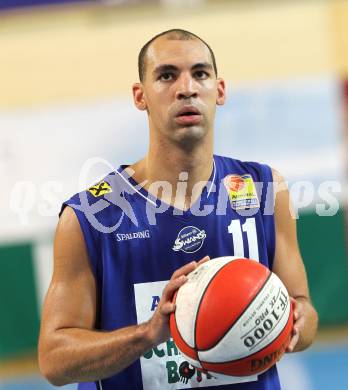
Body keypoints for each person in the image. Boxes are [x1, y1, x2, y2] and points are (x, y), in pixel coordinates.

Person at [38, 29, 318, 390]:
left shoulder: (265, 190)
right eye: (167, 75)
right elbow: (54, 360)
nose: (186, 88)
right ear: (141, 96)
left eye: (200, 73)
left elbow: (305, 310)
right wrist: (147, 335)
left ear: (219, 91)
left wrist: (283, 322)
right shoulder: (90, 216)